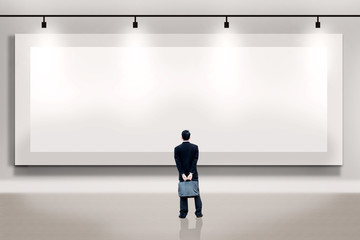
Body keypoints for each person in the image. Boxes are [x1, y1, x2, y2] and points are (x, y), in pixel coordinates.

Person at [174, 130, 203, 218]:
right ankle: (198, 213)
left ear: (181, 137)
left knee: (183, 193)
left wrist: (182, 174)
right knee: (196, 193)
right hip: (193, 174)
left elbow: (178, 163)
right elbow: (195, 161)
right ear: (189, 137)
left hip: (182, 174)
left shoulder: (177, 148)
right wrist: (191, 173)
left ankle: (183, 213)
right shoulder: (195, 147)